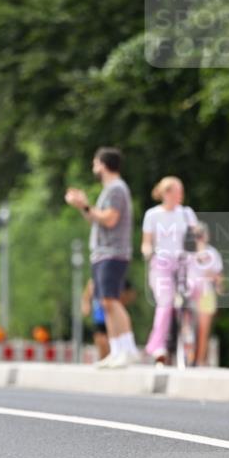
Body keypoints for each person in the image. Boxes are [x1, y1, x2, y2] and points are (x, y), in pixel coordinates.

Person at [65, 147, 137, 368]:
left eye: (95, 163)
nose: (93, 168)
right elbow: (96, 218)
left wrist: (86, 205)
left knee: (111, 300)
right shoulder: (109, 190)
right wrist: (83, 206)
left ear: (104, 165)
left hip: (113, 252)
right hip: (102, 253)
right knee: (105, 302)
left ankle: (128, 349)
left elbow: (110, 219)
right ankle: (117, 350)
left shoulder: (116, 189)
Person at [141, 177, 198, 364]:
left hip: (182, 261)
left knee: (196, 288)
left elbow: (198, 238)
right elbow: (147, 243)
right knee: (165, 303)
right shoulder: (152, 215)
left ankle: (189, 335)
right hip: (161, 263)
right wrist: (148, 252)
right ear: (167, 193)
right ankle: (158, 347)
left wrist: (201, 253)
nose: (180, 195)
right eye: (177, 191)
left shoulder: (186, 213)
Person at [188, 223, 223, 366]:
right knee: (186, 325)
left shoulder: (212, 253)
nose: (199, 238)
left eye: (201, 234)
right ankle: (188, 357)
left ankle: (200, 359)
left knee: (204, 327)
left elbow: (218, 277)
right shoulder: (187, 252)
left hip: (206, 292)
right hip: (189, 292)